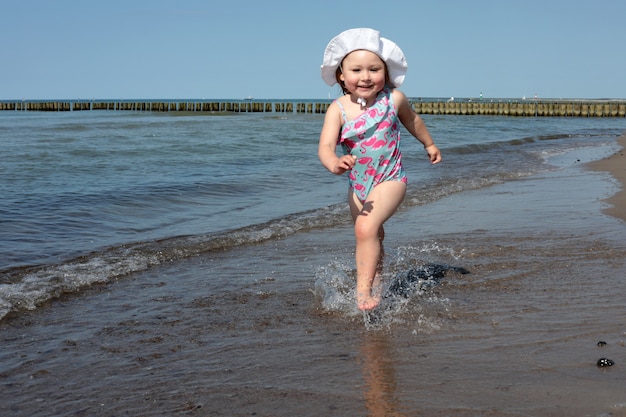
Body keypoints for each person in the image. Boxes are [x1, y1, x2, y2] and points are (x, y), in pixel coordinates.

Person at [318, 28, 441, 311]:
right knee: (372, 235)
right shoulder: (337, 109)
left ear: (385, 72)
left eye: (374, 69)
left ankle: (361, 294)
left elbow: (414, 121)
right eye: (356, 70)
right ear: (341, 75)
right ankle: (377, 286)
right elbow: (325, 147)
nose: (365, 76)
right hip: (358, 185)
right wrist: (334, 162)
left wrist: (429, 144)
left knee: (365, 227)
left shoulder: (393, 99)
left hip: (390, 179)